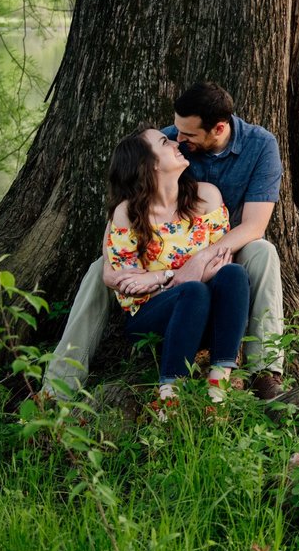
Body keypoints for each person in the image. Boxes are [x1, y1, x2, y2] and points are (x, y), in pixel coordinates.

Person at [45, 81, 286, 399]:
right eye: (174, 133)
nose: (178, 139)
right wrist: (114, 272)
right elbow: (127, 204)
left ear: (217, 129)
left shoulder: (260, 146)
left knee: (263, 251)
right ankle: (61, 381)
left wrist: (202, 260)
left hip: (227, 247)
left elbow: (255, 225)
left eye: (187, 136)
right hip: (162, 251)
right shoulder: (168, 144)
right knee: (99, 269)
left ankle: (265, 370)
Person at [102, 127, 249, 408]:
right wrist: (183, 277)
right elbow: (130, 287)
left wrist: (157, 277)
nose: (174, 142)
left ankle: (217, 389)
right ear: (150, 164)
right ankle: (169, 399)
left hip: (209, 317)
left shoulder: (206, 197)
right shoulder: (128, 213)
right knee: (193, 291)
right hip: (153, 317)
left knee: (233, 274)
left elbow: (221, 263)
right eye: (163, 141)